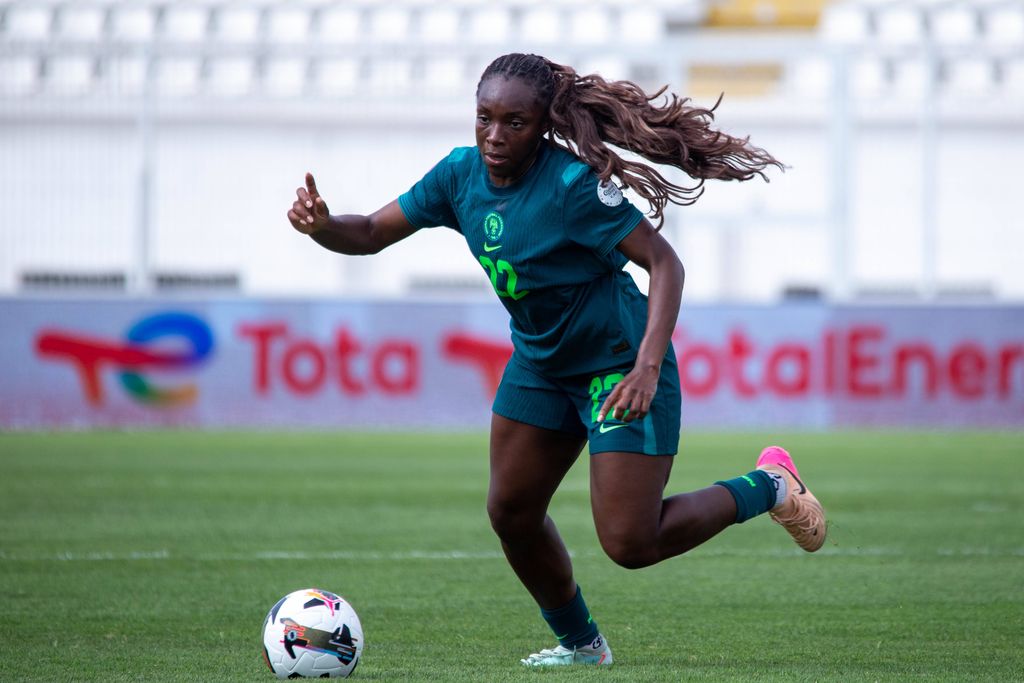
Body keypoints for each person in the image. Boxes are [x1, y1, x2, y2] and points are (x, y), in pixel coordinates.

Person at [286, 53, 826, 668]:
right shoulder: (459, 175)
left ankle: (773, 485)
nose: (494, 135)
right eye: (484, 118)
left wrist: (648, 366)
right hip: (541, 364)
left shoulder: (572, 187)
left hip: (617, 365)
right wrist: (322, 227)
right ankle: (582, 647)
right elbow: (370, 233)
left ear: (543, 125)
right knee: (510, 511)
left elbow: (665, 264)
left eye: (514, 122)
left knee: (630, 542)